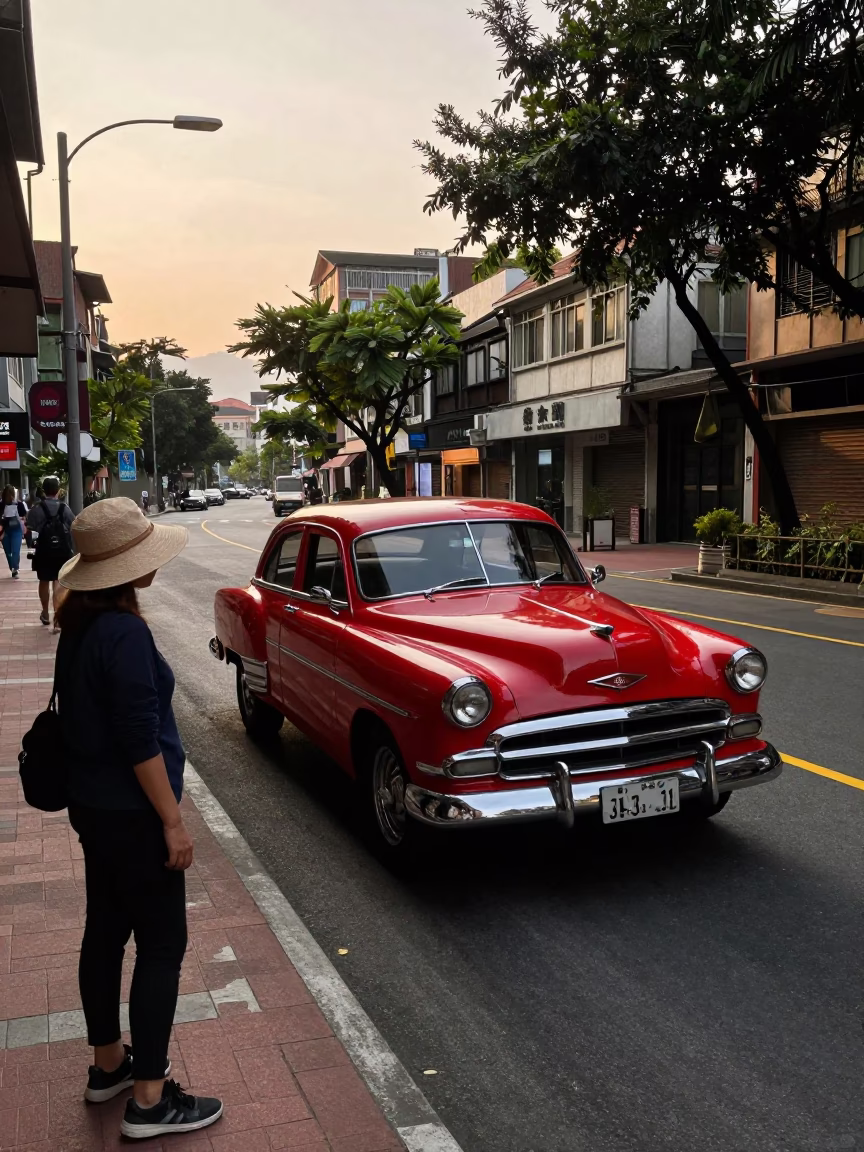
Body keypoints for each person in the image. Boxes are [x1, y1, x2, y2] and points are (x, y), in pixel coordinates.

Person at [55, 497, 223, 1140]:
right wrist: (172, 822)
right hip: (132, 814)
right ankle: (150, 1100)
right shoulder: (124, 633)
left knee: (104, 931)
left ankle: (108, 1066)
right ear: (129, 567)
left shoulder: (79, 624)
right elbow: (137, 738)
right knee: (161, 945)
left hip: (93, 809)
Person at [26, 476, 74, 626]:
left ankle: (45, 612)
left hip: (43, 551)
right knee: (58, 581)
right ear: (58, 491)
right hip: (62, 551)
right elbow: (73, 526)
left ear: (43, 491)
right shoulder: (64, 508)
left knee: (44, 580)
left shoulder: (36, 509)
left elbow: (29, 529)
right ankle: (58, 617)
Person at [0, 486, 27, 578]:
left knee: (9, 552)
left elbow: (23, 515)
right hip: (13, 530)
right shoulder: (18, 504)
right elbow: (24, 516)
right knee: (14, 551)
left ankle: (14, 568)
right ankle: (14, 568)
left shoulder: (17, 504)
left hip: (7, 531)